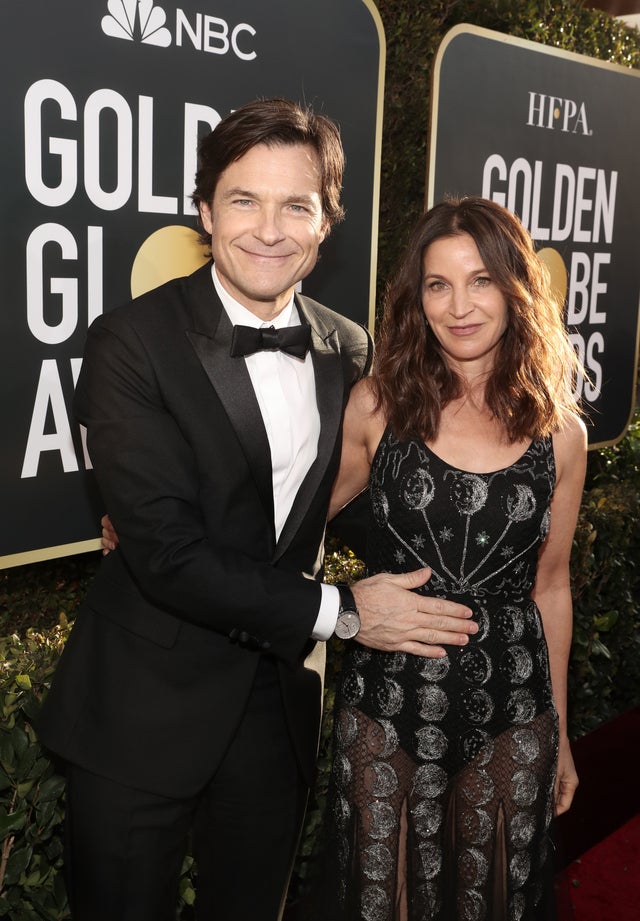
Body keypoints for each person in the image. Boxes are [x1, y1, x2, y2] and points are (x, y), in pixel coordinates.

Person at [37, 98, 477, 921]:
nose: (268, 229)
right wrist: (345, 611)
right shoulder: (130, 342)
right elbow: (167, 552)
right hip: (141, 708)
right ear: (204, 212)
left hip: (275, 715)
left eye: (296, 205)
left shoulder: (349, 348)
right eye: (244, 200)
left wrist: (484, 549)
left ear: (326, 222)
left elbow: (344, 508)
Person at [314, 196, 586, 920]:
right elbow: (298, 521)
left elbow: (551, 588)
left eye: (481, 281)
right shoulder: (378, 405)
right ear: (417, 298)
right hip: (387, 705)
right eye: (438, 284)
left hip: (514, 713)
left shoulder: (560, 433)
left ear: (515, 289)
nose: (459, 305)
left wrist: (557, 732)